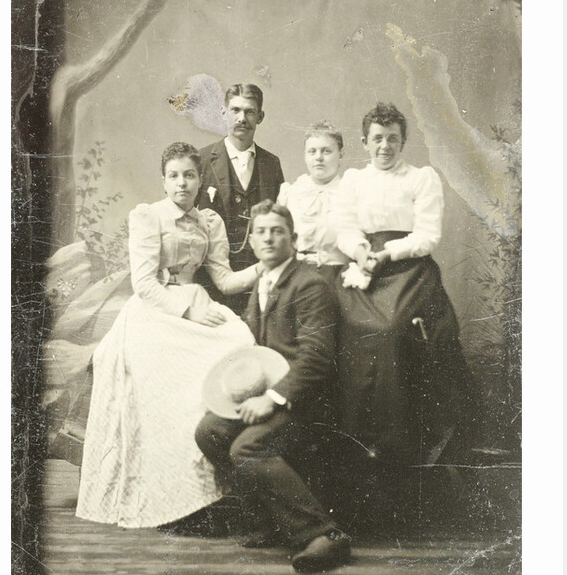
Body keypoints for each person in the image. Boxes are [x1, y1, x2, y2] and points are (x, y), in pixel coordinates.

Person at [75, 142, 261, 529]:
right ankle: (181, 492)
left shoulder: (210, 222)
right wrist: (186, 309)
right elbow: (144, 284)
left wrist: (270, 265)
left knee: (239, 340)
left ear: (199, 179)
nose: (182, 183)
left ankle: (222, 478)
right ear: (163, 181)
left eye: (189, 175)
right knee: (175, 384)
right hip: (155, 311)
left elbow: (224, 282)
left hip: (197, 300)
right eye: (174, 176)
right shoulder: (148, 217)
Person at [195, 200, 351, 574]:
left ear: (293, 239)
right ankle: (270, 520)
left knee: (249, 445)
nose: (268, 238)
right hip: (276, 397)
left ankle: (324, 535)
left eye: (277, 231)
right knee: (210, 431)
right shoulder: (264, 282)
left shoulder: (309, 284)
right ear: (251, 241)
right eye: (261, 231)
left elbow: (317, 357)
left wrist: (273, 398)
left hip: (309, 400)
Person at [334, 102, 475, 466]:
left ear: (403, 141)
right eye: (377, 139)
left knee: (391, 331)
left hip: (409, 272)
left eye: (393, 139)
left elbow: (428, 236)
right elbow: (345, 228)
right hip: (365, 266)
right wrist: (360, 249)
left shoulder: (421, 178)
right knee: (346, 329)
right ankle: (358, 438)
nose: (385, 146)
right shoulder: (353, 180)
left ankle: (402, 440)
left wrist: (387, 253)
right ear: (365, 142)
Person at [197, 83, 284, 314]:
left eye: (249, 111)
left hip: (258, 281)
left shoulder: (271, 164)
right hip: (209, 283)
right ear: (224, 113)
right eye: (235, 110)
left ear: (260, 117)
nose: (242, 118)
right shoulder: (201, 160)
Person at [277, 119, 349, 288]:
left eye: (326, 151)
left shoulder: (350, 192)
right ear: (305, 155)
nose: (319, 157)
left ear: (340, 154)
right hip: (297, 277)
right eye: (312, 151)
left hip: (338, 277)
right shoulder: (292, 193)